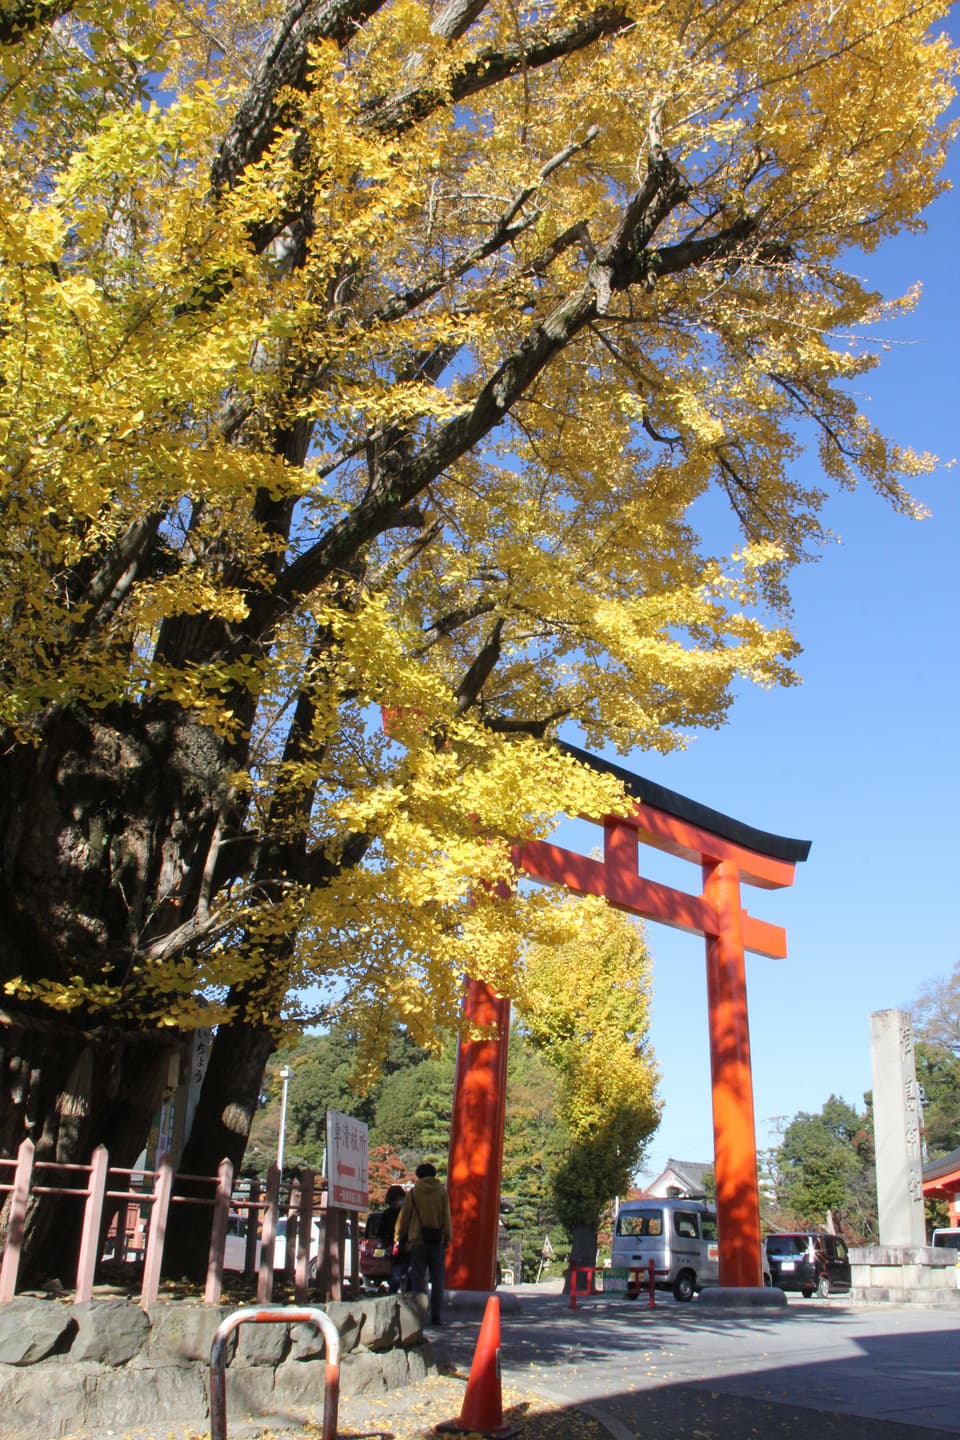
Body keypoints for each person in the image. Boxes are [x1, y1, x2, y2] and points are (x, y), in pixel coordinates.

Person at [396, 1161, 452, 1325]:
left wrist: (399, 1236)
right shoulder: (442, 1192)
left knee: (419, 1278)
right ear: (434, 1175)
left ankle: (420, 1313)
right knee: (438, 1279)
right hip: (436, 1241)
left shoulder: (413, 1193)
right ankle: (436, 1315)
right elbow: (446, 1217)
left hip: (417, 1241)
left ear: (419, 1176)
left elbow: (404, 1217)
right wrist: (447, 1237)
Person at [381, 1184, 409, 1293]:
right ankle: (391, 1298)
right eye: (397, 1199)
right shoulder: (386, 1214)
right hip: (394, 1250)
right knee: (395, 1278)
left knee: (409, 1278)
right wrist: (387, 1245)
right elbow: (382, 1232)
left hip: (407, 1248)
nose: (399, 1202)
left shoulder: (407, 1213)